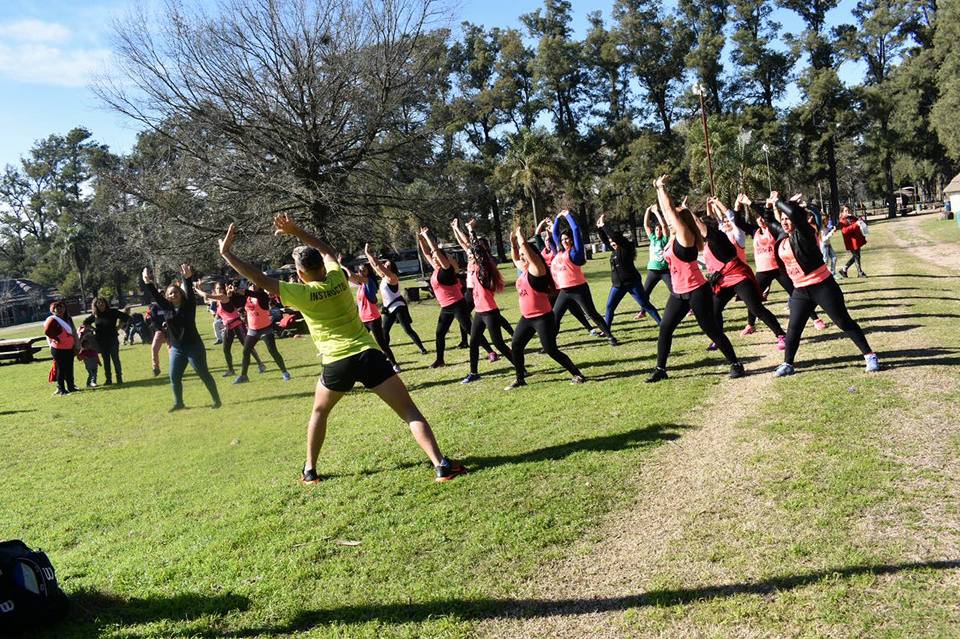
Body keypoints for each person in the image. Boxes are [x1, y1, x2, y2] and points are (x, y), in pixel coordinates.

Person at [219, 215, 467, 483]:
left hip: (337, 362)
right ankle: (441, 465)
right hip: (369, 354)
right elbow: (326, 250)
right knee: (409, 411)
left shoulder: (300, 293)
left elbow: (257, 276)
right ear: (322, 267)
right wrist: (295, 230)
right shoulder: (337, 277)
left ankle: (310, 471)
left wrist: (227, 254)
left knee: (319, 412)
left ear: (300, 273)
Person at [764, 193, 879, 376]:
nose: (785, 222)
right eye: (783, 219)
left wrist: (780, 202)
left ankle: (870, 356)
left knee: (843, 321)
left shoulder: (806, 232)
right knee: (793, 328)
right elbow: (768, 220)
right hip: (800, 290)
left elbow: (794, 216)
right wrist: (770, 206)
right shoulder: (782, 235)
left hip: (822, 285)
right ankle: (788, 364)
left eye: (788, 219)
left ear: (797, 219)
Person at [646, 175, 745, 383]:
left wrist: (663, 188)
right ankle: (660, 369)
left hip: (696, 291)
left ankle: (736, 364)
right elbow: (666, 211)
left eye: (674, 219)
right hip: (678, 292)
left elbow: (670, 211)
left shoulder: (685, 236)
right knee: (665, 328)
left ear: (682, 221)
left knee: (710, 328)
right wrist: (657, 188)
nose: (669, 220)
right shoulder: (673, 235)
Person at [701, 197, 787, 350]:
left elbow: (729, 217)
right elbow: (710, 222)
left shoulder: (731, 235)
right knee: (713, 310)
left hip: (738, 276)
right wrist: (709, 206)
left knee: (756, 308)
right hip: (723, 280)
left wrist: (718, 204)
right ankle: (718, 338)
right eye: (723, 223)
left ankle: (781, 335)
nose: (725, 224)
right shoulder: (712, 237)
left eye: (727, 222)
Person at [735, 193, 827, 334]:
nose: (760, 220)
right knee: (752, 297)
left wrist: (752, 203)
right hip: (763, 270)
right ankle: (750, 324)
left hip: (778, 269)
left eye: (762, 218)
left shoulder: (775, 230)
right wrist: (737, 208)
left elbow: (768, 216)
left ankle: (815, 319)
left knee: (795, 292)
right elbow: (739, 223)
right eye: (758, 219)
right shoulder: (755, 232)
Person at [507, 225, 586, 390]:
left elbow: (529, 255)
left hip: (542, 317)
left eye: (524, 255)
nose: (521, 258)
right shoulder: (525, 269)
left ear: (533, 255)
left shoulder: (538, 270)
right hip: (527, 318)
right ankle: (520, 378)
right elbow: (515, 259)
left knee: (551, 350)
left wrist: (522, 240)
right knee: (516, 346)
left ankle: (577, 374)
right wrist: (513, 244)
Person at [141, 265, 222, 411]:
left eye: (176, 292)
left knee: (203, 374)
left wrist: (188, 278)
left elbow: (190, 291)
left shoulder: (189, 305)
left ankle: (217, 401)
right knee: (174, 376)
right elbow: (155, 295)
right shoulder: (167, 307)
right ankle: (179, 403)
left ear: (181, 293)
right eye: (170, 294)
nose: (173, 295)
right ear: (167, 297)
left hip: (193, 347)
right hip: (177, 348)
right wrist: (147, 282)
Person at [416, 226, 495, 368]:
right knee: (440, 333)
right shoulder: (437, 269)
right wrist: (421, 239)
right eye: (433, 258)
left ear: (443, 258)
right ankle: (440, 360)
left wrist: (428, 237)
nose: (433, 259)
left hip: (457, 304)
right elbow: (427, 253)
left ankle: (491, 352)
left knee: (470, 330)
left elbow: (433, 251)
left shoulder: (447, 269)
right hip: (445, 307)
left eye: (436, 257)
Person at [450, 218, 516, 384]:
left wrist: (471, 230)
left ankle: (520, 366)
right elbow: (467, 245)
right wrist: (457, 229)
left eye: (473, 253)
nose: (469, 254)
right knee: (473, 343)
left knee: (499, 344)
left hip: (489, 311)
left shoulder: (484, 268)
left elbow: (474, 247)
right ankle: (473, 372)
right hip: (479, 311)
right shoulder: (473, 264)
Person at [549, 204, 619, 346]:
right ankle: (550, 344)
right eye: (563, 240)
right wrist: (557, 218)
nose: (564, 241)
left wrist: (568, 215)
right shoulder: (559, 252)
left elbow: (575, 229)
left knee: (592, 314)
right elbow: (555, 234)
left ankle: (610, 336)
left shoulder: (575, 252)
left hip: (579, 289)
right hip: (564, 291)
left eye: (567, 238)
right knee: (555, 317)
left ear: (572, 239)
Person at [595, 214, 662, 329]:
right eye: (611, 242)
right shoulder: (614, 250)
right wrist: (599, 228)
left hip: (632, 283)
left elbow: (614, 237)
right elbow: (606, 240)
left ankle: (662, 324)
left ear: (620, 241)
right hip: (617, 286)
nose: (612, 243)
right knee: (609, 306)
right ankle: (606, 330)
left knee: (644, 304)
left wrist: (605, 226)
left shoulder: (626, 248)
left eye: (614, 241)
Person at [363, 248, 428, 355]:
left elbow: (378, 265)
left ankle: (422, 348)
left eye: (388, 266)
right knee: (384, 331)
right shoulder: (384, 277)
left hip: (398, 307)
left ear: (392, 268)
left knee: (407, 330)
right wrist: (367, 254)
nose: (386, 267)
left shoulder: (392, 277)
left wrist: (371, 256)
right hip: (389, 309)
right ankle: (385, 352)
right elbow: (375, 266)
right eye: (386, 265)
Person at [341, 258, 402, 373]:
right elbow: (349, 277)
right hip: (363, 319)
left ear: (368, 272)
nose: (361, 273)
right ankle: (367, 365)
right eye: (360, 271)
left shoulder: (369, 282)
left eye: (364, 270)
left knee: (381, 344)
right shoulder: (360, 285)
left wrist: (341, 265)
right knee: (358, 342)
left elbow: (352, 275)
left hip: (373, 318)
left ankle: (395, 365)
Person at [195, 282, 266, 377]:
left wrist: (196, 290)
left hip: (237, 325)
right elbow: (206, 299)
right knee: (226, 349)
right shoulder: (218, 301)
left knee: (247, 347)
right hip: (228, 327)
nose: (218, 290)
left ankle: (261, 364)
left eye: (220, 288)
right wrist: (199, 288)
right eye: (217, 289)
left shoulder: (224, 297)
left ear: (224, 290)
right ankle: (231, 370)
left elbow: (207, 295)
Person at [234, 282, 291, 383]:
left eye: (255, 283)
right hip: (252, 329)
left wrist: (240, 291)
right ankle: (243, 376)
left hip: (265, 329)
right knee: (246, 351)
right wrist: (232, 294)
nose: (252, 285)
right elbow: (236, 303)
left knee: (272, 351)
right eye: (250, 284)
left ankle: (285, 372)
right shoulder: (248, 297)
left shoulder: (262, 295)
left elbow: (255, 294)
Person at [83, 297, 130, 386]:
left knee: (115, 359)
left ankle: (119, 378)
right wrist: (94, 329)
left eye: (102, 302)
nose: (101, 304)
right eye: (98, 303)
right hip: (101, 340)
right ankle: (108, 379)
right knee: (106, 360)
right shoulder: (95, 314)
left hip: (112, 339)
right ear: (95, 305)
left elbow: (125, 317)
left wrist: (118, 327)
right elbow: (85, 322)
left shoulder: (112, 312)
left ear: (105, 303)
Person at [44, 300, 79, 395]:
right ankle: (61, 389)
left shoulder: (68, 318)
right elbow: (47, 331)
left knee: (69, 368)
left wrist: (76, 344)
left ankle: (71, 387)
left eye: (62, 307)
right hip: (58, 349)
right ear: (53, 310)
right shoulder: (52, 319)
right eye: (57, 308)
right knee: (61, 369)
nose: (60, 309)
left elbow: (74, 332)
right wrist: (57, 338)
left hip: (69, 347)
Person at [642, 205, 673, 305]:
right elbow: (646, 225)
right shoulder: (652, 238)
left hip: (664, 271)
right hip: (653, 271)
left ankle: (689, 308)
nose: (658, 231)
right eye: (656, 229)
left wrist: (656, 212)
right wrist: (647, 210)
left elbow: (664, 226)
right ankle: (643, 311)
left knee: (675, 290)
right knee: (645, 293)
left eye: (659, 230)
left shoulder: (664, 240)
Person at [838, 206, 868, 278]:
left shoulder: (852, 218)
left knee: (856, 256)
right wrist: (855, 224)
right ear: (842, 213)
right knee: (856, 256)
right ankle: (860, 272)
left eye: (848, 210)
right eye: (846, 211)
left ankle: (844, 269)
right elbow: (845, 231)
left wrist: (860, 220)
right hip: (851, 242)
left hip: (857, 240)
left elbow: (858, 222)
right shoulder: (842, 220)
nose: (848, 212)